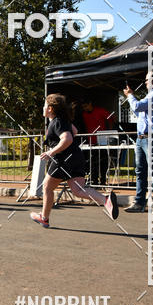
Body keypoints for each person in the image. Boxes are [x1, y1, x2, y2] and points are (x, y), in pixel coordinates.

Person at [29, 94, 119, 227]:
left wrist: (51, 152)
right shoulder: (63, 120)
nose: (42, 108)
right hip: (76, 156)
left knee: (47, 187)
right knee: (78, 190)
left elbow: (67, 138)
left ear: (50, 108)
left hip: (63, 159)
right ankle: (106, 200)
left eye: (44, 106)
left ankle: (44, 218)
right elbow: (74, 131)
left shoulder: (57, 122)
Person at [123, 74, 151, 212]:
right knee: (140, 171)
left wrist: (130, 95)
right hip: (141, 137)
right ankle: (139, 202)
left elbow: (137, 106)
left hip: (150, 138)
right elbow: (138, 111)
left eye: (147, 79)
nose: (145, 82)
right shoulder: (149, 95)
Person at [81, 98, 115, 186]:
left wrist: (109, 132)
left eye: (86, 106)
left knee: (103, 161)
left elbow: (111, 120)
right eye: (83, 107)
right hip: (91, 141)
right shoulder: (84, 114)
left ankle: (103, 180)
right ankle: (94, 180)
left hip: (102, 140)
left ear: (90, 103)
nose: (85, 108)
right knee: (93, 162)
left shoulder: (101, 111)